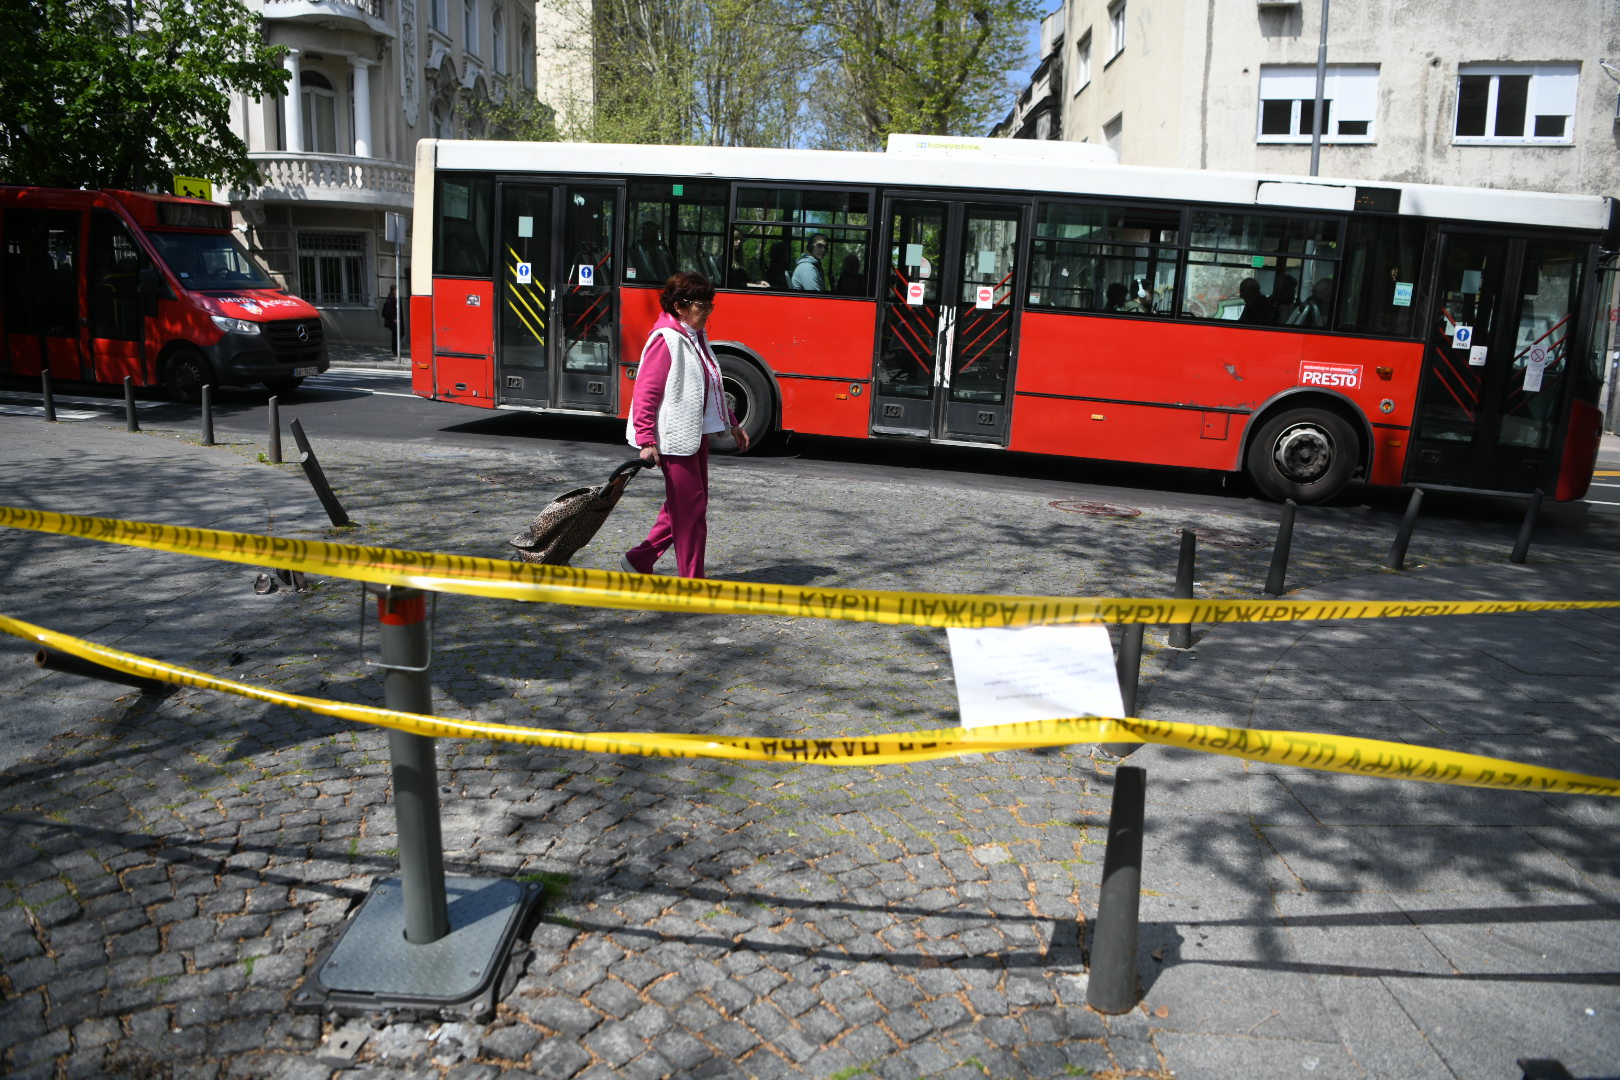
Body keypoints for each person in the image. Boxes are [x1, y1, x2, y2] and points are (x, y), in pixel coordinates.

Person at [621, 272, 751, 579]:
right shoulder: (666, 339)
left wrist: (731, 422)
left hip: (693, 434)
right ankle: (692, 581)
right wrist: (645, 439)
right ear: (680, 306)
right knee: (690, 510)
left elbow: (713, 384)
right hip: (673, 437)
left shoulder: (695, 336)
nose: (707, 310)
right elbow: (645, 393)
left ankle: (639, 560)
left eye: (710, 304)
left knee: (688, 504)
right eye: (701, 304)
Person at [381, 285, 399, 351]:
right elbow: (390, 310)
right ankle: (394, 350)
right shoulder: (391, 298)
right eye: (396, 290)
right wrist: (394, 319)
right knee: (395, 334)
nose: (397, 291)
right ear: (393, 290)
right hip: (393, 320)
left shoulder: (393, 297)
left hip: (394, 319)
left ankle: (395, 349)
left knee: (396, 334)